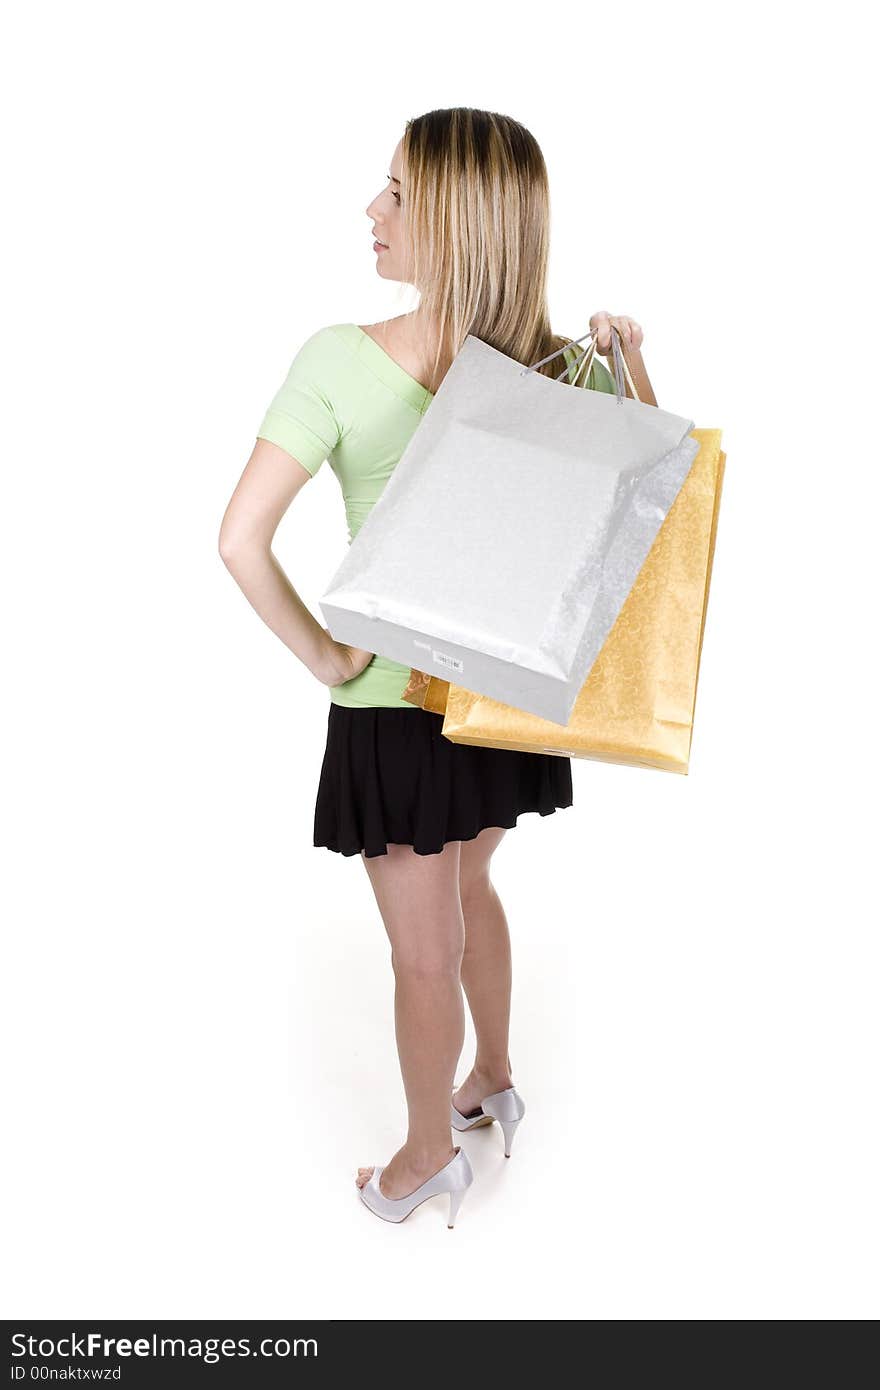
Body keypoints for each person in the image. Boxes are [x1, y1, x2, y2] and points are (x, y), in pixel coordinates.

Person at [219, 107, 653, 1228]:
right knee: (472, 888)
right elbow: (643, 516)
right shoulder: (555, 369)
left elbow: (237, 539)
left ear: (456, 220)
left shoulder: (341, 360)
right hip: (503, 694)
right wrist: (632, 370)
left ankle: (421, 1158)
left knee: (424, 955)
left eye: (400, 192)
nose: (374, 210)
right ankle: (494, 1080)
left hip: (396, 712)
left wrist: (327, 656)